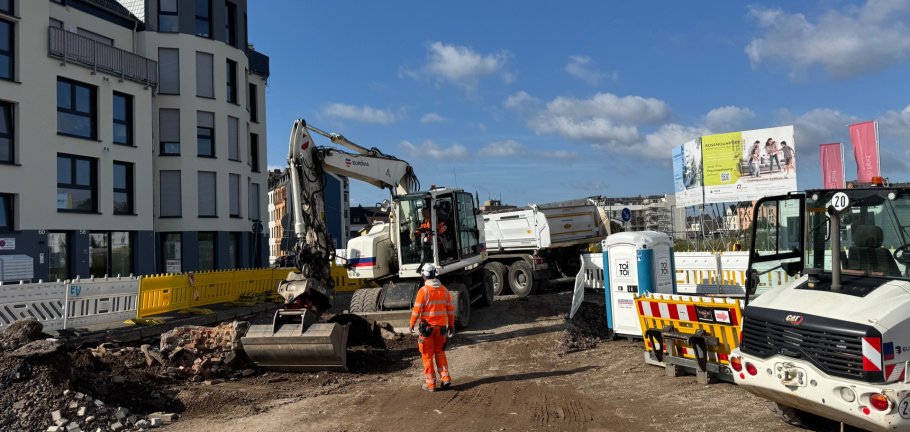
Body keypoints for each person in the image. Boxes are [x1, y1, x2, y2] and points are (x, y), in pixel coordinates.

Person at [408, 263, 455, 392]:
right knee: (440, 352)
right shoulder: (444, 290)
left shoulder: (423, 291)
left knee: (427, 356)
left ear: (424, 275)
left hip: (427, 330)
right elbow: (450, 310)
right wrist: (451, 325)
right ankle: (445, 378)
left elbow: (416, 310)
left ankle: (431, 385)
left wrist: (411, 324)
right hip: (441, 329)